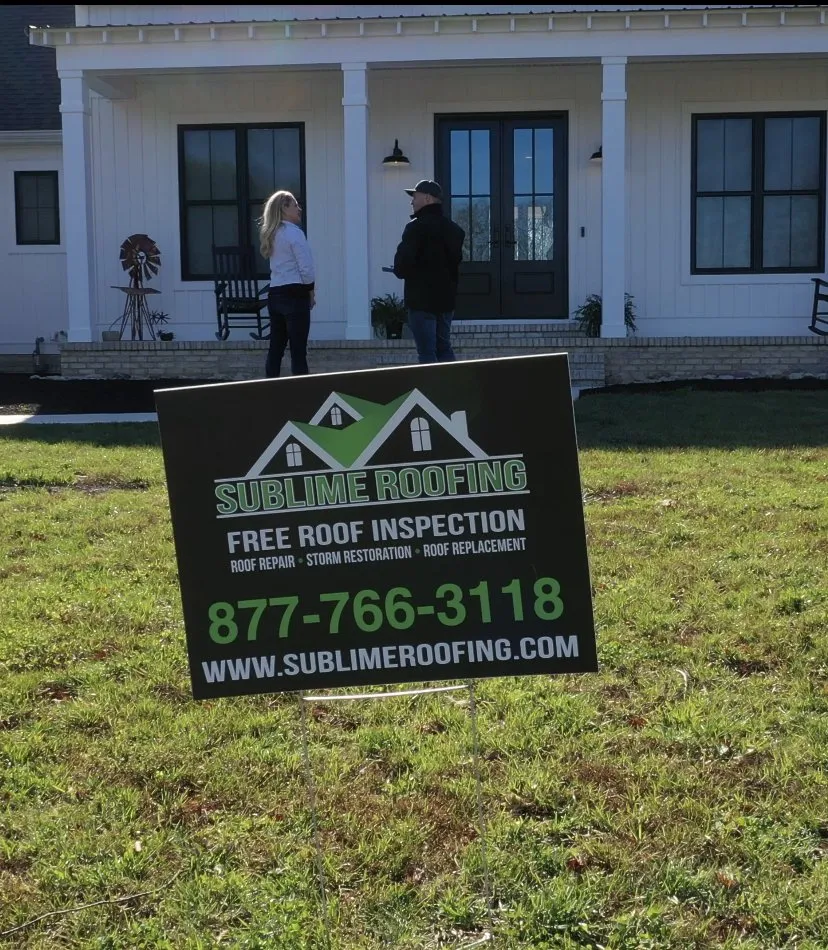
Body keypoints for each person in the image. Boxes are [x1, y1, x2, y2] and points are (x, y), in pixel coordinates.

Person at [393, 179, 465, 364]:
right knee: (444, 348)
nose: (412, 202)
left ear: (427, 198)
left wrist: (401, 268)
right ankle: (451, 389)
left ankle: (431, 391)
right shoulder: (455, 231)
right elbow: (455, 263)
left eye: (414, 197)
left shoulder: (415, 228)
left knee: (426, 353)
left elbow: (401, 266)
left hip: (421, 301)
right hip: (446, 301)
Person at [259, 191, 315, 377]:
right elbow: (306, 268)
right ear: (284, 208)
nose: (299, 209)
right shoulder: (294, 233)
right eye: (294, 205)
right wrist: (310, 292)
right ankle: (300, 392)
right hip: (295, 293)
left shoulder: (272, 234)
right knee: (298, 350)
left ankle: (269, 387)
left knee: (276, 347)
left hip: (275, 294)